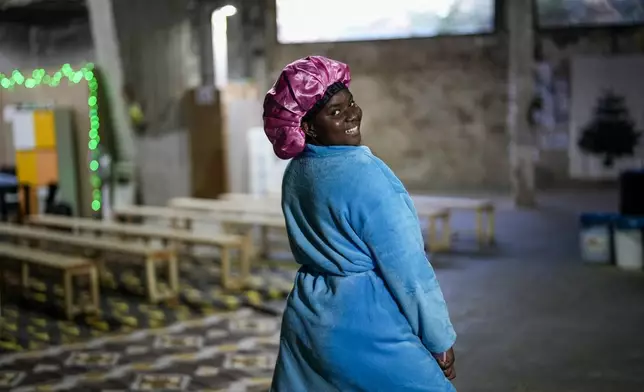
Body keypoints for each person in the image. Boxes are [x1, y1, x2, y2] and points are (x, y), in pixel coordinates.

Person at [264, 56, 457, 391]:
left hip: (309, 319)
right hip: (367, 324)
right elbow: (408, 268)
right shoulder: (367, 174)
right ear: (307, 126)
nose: (352, 115)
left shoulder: (296, 173)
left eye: (351, 103)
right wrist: (438, 337)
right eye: (335, 112)